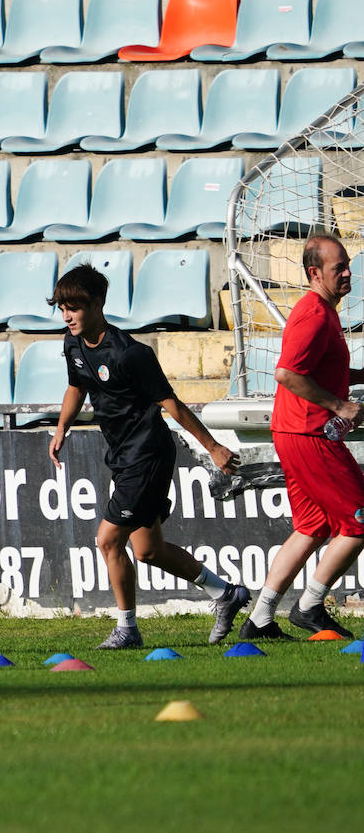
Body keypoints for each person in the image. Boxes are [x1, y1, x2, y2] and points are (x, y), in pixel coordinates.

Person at [48, 263, 249, 649]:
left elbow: (172, 405)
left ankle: (127, 629)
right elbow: (76, 386)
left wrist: (213, 448)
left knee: (107, 541)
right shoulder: (71, 343)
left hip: (148, 455)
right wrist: (61, 429)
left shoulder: (130, 354)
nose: (68, 315)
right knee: (148, 550)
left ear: (98, 304)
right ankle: (226, 594)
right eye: (62, 308)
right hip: (122, 455)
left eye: (75, 307)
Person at [242, 234, 362, 640]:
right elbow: (287, 374)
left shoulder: (324, 311)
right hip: (310, 432)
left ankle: (260, 618)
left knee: (311, 525)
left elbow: (317, 369)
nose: (348, 273)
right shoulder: (313, 313)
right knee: (360, 520)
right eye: (338, 268)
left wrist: (352, 382)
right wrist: (340, 406)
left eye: (347, 265)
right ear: (315, 273)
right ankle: (310, 606)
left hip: (295, 431)